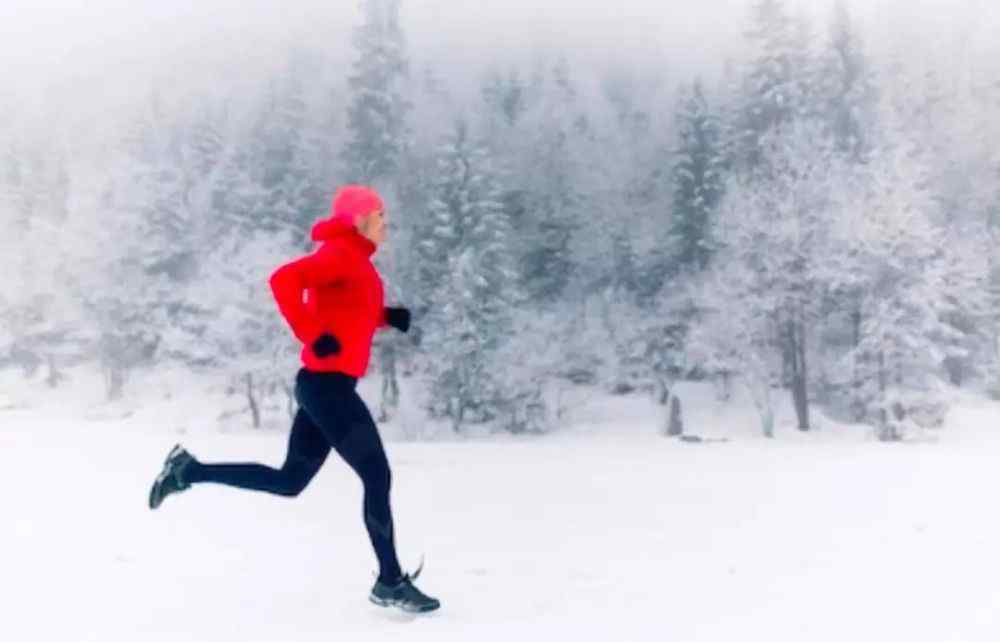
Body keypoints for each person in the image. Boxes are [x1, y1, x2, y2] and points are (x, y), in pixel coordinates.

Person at [148, 185, 440, 614]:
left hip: (324, 386)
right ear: (359, 219)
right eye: (380, 217)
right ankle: (390, 581)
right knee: (377, 476)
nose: (386, 225)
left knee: (290, 481)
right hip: (328, 388)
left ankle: (187, 471)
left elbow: (347, 313)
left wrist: (385, 318)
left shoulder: (354, 261)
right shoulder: (340, 253)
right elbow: (284, 280)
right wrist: (308, 333)